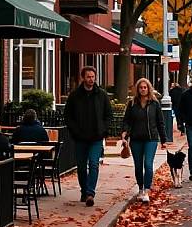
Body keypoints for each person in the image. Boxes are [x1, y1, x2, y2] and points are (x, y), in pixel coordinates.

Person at [64, 66, 113, 207]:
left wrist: (103, 129)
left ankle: (90, 193)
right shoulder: (74, 96)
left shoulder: (102, 95)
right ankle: (84, 191)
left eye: (93, 77)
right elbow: (68, 116)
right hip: (80, 138)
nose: (91, 79)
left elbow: (108, 115)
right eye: (88, 77)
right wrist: (75, 131)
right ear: (83, 78)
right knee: (80, 167)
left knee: (93, 164)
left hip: (96, 137)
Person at [122, 78, 167, 203]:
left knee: (148, 164)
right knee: (138, 166)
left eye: (145, 87)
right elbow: (127, 121)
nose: (143, 89)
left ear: (148, 89)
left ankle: (146, 190)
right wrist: (124, 134)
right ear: (138, 89)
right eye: (141, 87)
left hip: (151, 139)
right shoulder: (132, 104)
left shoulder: (154, 104)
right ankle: (141, 188)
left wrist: (164, 140)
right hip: (136, 139)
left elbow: (160, 122)